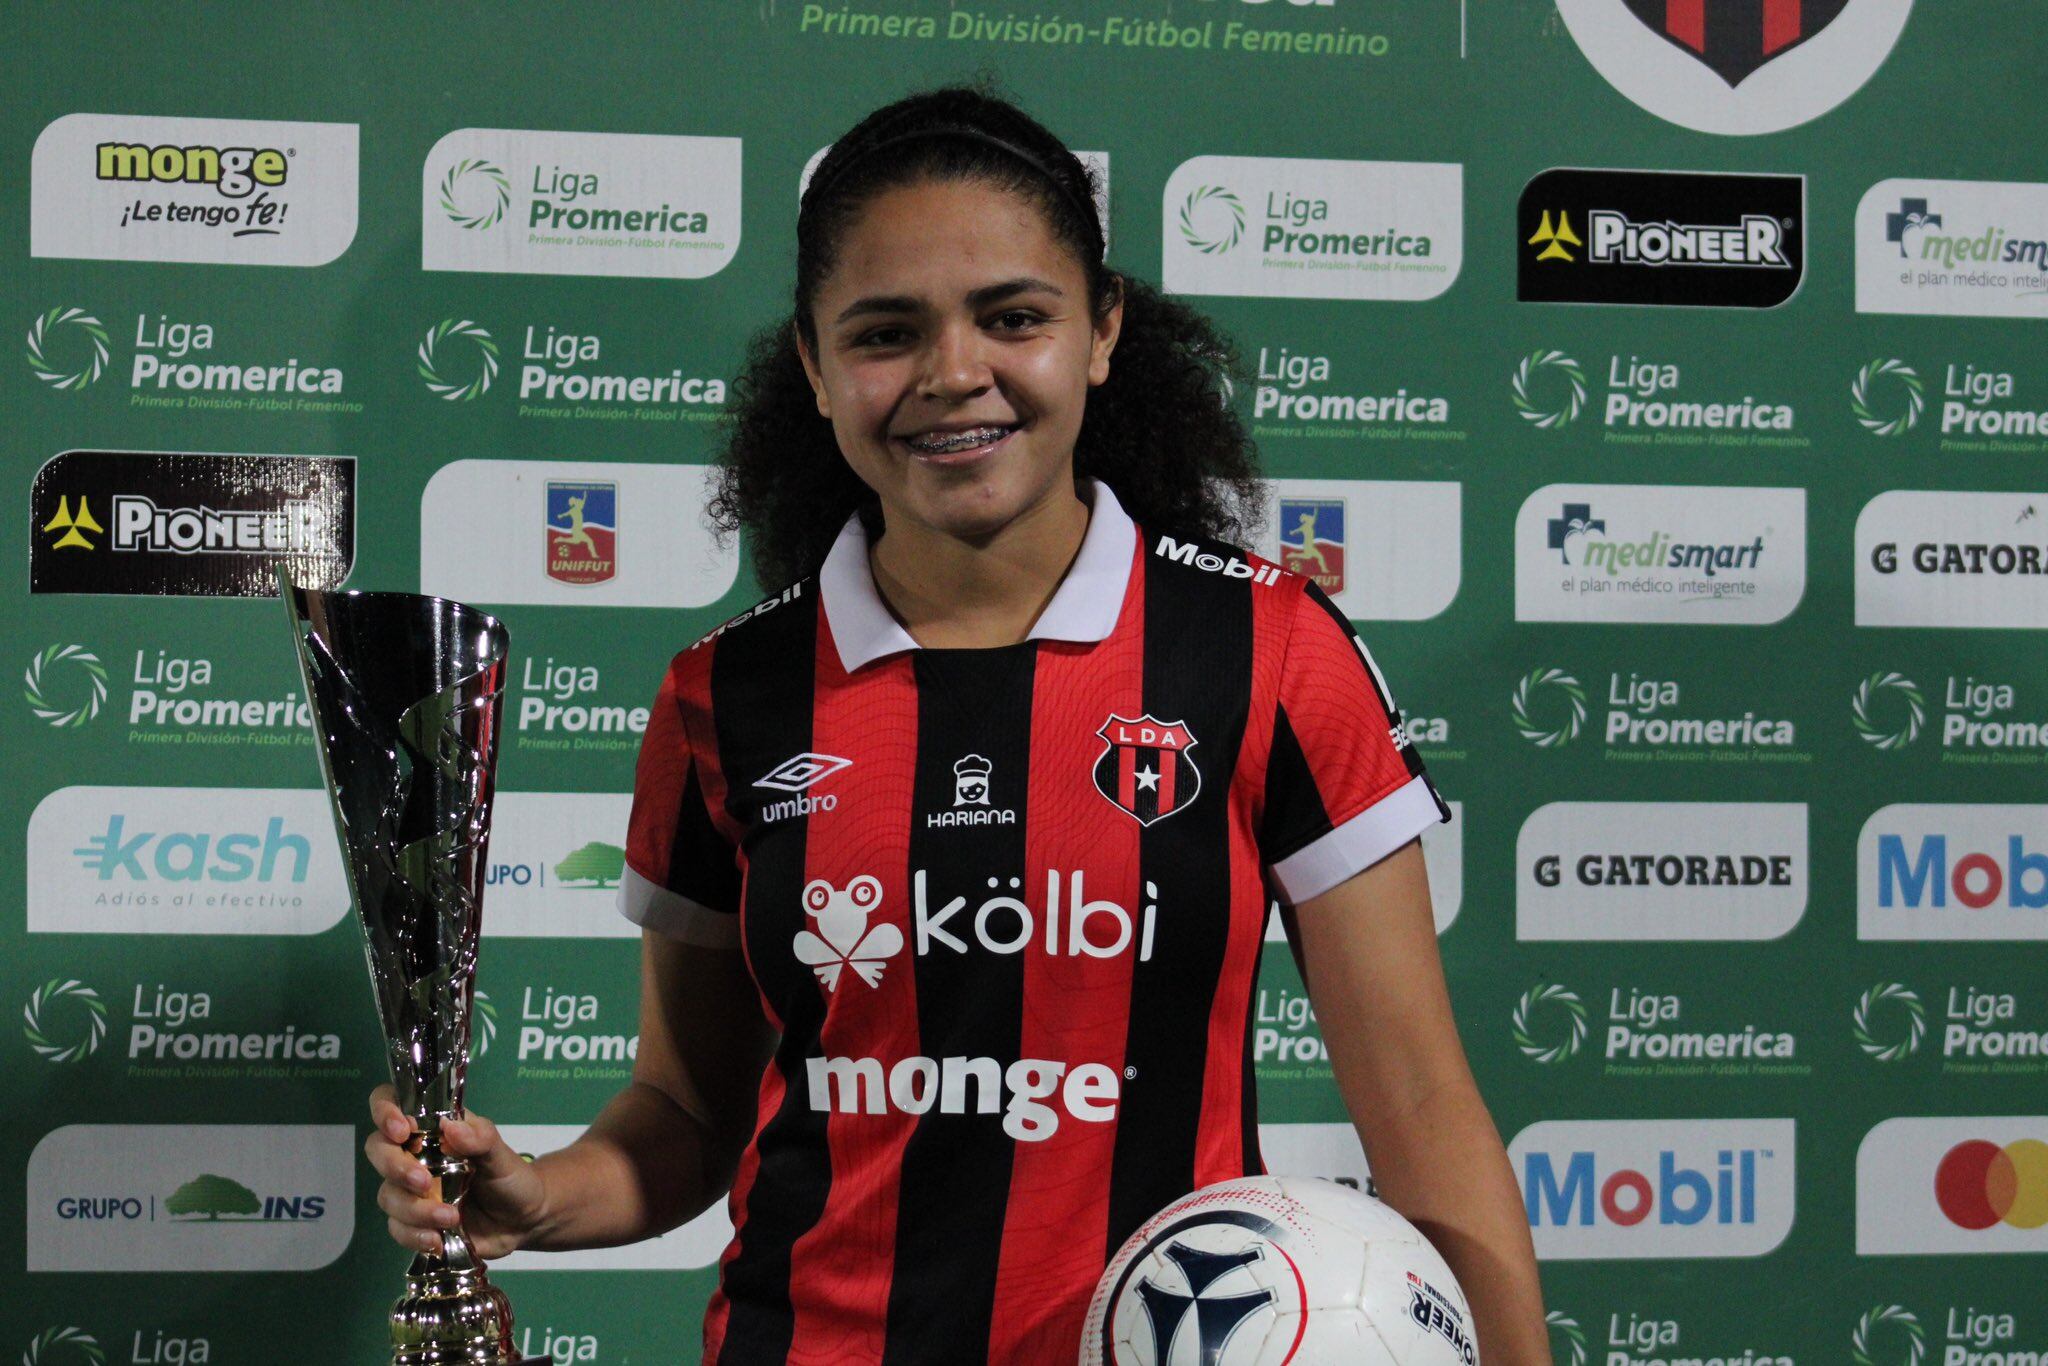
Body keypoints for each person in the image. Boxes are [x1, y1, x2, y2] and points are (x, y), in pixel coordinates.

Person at [365, 84, 1549, 1364]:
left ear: (1100, 333)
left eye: (1013, 316)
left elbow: (1422, 1111)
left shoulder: (1266, 650)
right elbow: (686, 1112)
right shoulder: (727, 692)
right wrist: (540, 1198)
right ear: (814, 370)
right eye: (885, 333)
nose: (952, 374)